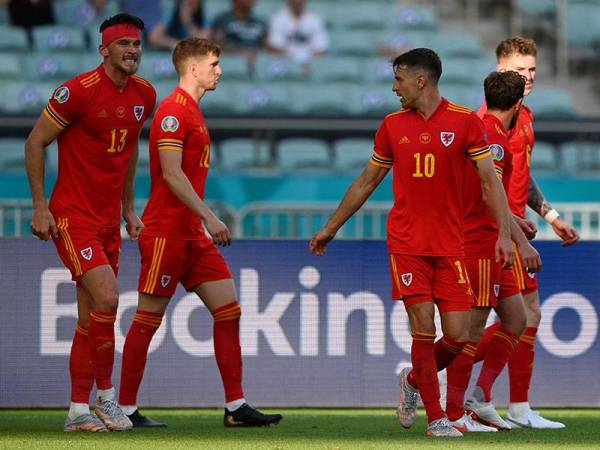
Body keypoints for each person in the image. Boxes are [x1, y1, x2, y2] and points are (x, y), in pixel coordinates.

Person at [310, 48, 514, 438]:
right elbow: (367, 181)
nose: (394, 87)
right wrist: (331, 226)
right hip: (406, 244)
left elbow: (490, 182)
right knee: (422, 328)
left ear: (421, 80)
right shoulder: (391, 126)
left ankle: (413, 380)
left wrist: (504, 234)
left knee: (458, 336)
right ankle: (436, 419)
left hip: (451, 247)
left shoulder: (466, 123)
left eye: (399, 79)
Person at [117, 37, 283, 428]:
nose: (219, 70)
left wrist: (202, 223)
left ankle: (235, 406)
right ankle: (123, 408)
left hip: (192, 235)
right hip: (166, 233)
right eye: (213, 63)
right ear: (193, 68)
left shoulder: (191, 111)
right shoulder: (173, 112)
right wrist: (211, 217)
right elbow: (172, 174)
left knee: (229, 311)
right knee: (147, 319)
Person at [24, 13, 156, 432]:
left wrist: (129, 208)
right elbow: (35, 142)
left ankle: (76, 411)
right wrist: (40, 206)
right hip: (72, 214)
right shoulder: (76, 92)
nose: (132, 51)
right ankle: (106, 397)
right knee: (109, 296)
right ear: (104, 50)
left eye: (136, 44)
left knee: (90, 318)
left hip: (106, 221)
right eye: (123, 44)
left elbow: (130, 150)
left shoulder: (144, 94)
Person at [475, 37, 579, 429]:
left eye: (533, 69)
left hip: (517, 226)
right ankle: (444, 378)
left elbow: (522, 177)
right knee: (513, 318)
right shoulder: (489, 120)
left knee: (522, 316)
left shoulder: (525, 115)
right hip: (500, 232)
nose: (529, 76)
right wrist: (513, 225)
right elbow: (489, 183)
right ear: (501, 71)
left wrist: (551, 215)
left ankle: (507, 402)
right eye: (520, 70)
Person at [445, 71, 541, 432]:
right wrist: (520, 239)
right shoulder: (495, 139)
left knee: (516, 319)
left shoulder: (477, 124)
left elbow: (491, 194)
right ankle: (451, 411)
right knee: (470, 332)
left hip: (495, 235)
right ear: (517, 105)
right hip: (482, 241)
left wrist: (515, 221)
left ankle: (480, 397)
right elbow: (490, 195)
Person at [267, 0, 328, 64]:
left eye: (300, 1)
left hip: (310, 63)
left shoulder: (315, 19)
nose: (298, 3)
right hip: (285, 63)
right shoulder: (278, 18)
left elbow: (320, 49)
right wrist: (297, 58)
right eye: (295, 1)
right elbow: (275, 47)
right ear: (289, 2)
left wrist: (305, 60)